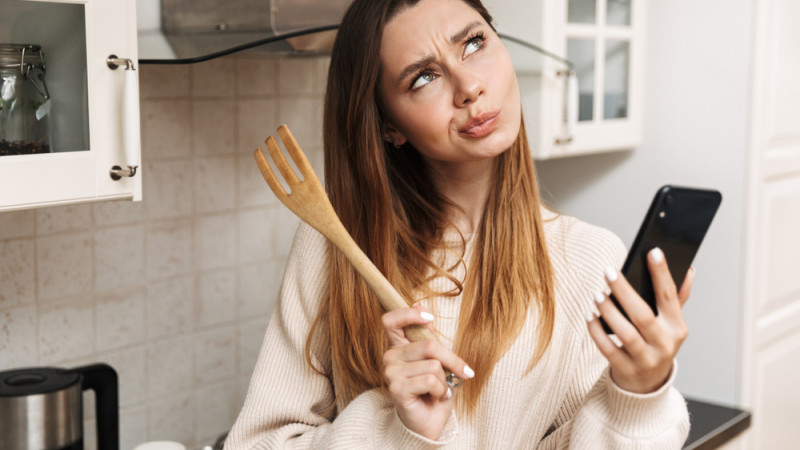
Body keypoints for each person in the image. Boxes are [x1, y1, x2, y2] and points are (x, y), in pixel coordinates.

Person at [226, 0, 692, 447]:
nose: (468, 85)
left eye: (473, 43)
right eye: (424, 77)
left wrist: (637, 393)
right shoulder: (335, 243)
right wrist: (397, 433)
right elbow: (260, 444)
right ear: (390, 126)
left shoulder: (589, 259)